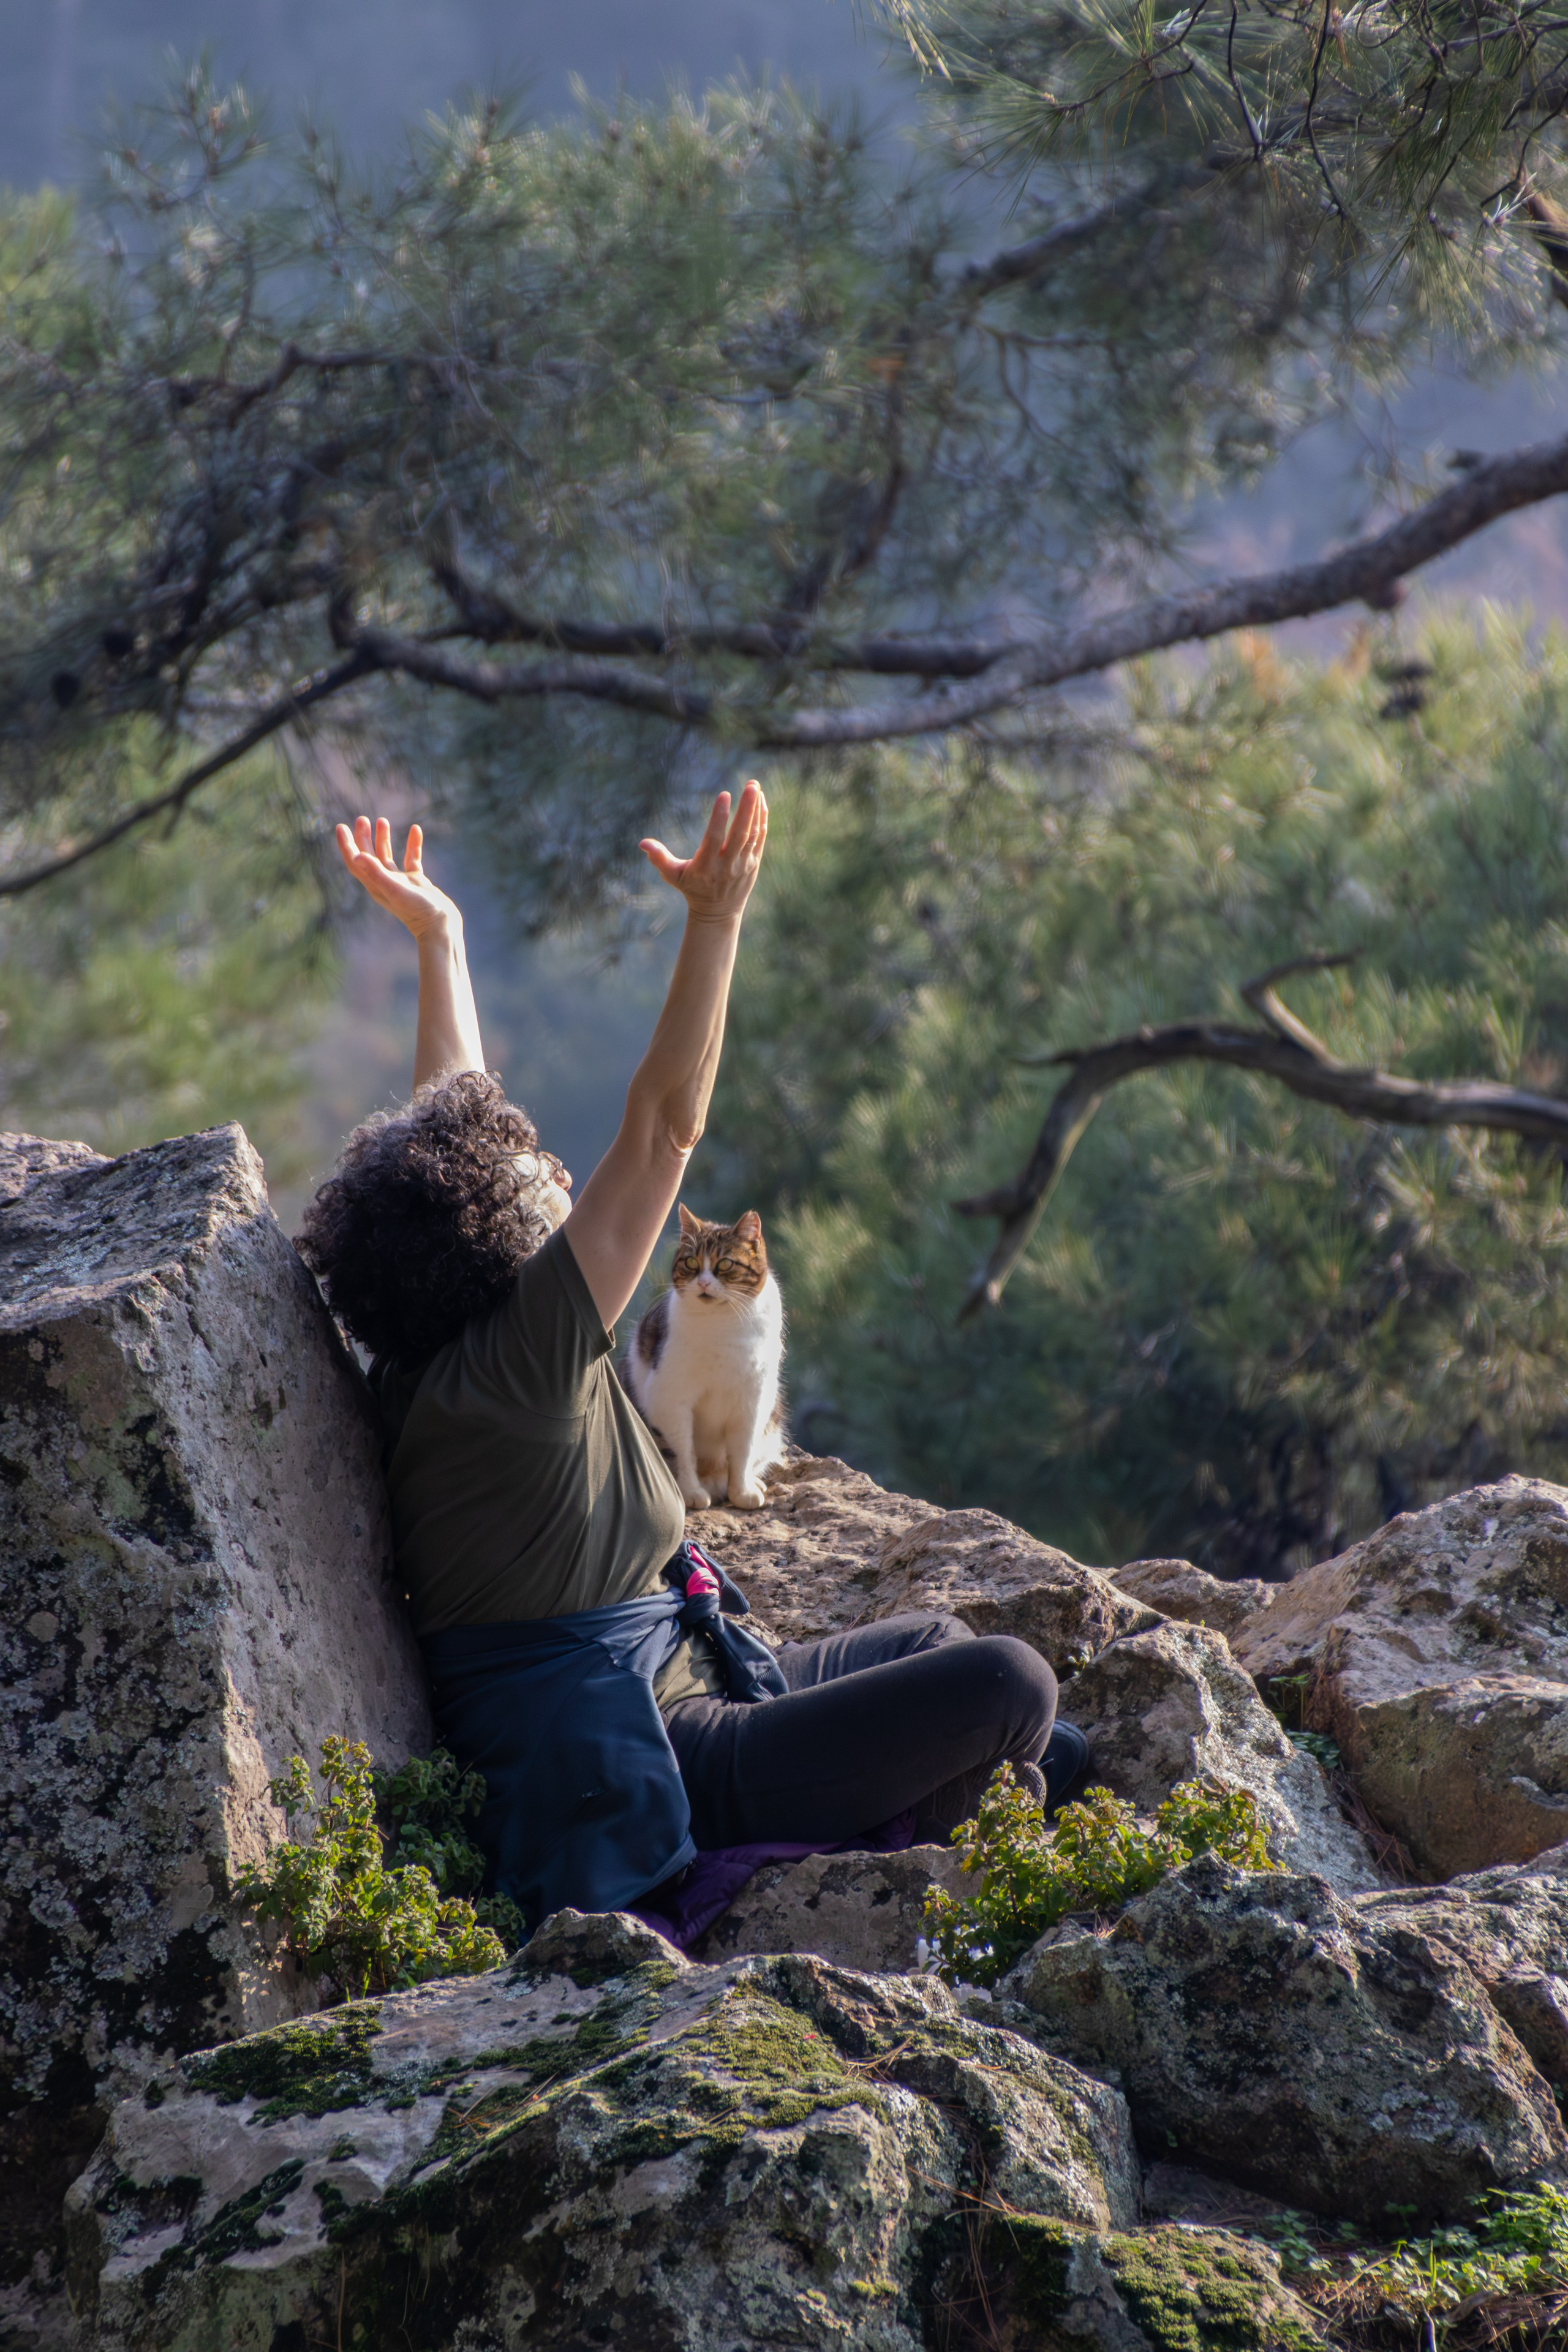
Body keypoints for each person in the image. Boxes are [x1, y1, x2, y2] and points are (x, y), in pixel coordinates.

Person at [298, 785, 1088, 1937]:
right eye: (532, 1183)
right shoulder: (523, 1359)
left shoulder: (435, 1347)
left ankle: (1018, 1788)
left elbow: (449, 1124)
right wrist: (715, 920)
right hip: (659, 1757)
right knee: (1011, 1685)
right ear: (487, 1238)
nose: (557, 1179)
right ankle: (994, 1829)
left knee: (934, 1648)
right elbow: (664, 1123)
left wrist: (442, 940)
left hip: (682, 1669)